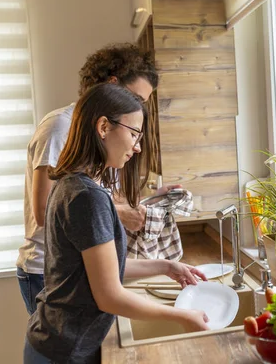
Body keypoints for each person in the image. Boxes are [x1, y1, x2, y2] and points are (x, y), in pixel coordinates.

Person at [24, 83, 209, 364]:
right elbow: (109, 296)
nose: (137, 147)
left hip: (53, 341)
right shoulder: (87, 196)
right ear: (103, 127)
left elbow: (102, 270)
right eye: (134, 133)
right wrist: (182, 316)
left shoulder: (70, 183)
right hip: (63, 351)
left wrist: (166, 266)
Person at [16, 43, 179, 315]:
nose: (140, 110)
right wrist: (121, 215)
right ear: (112, 84)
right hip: (47, 270)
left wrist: (153, 198)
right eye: (137, 100)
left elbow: (99, 195)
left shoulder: (106, 136)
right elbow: (46, 210)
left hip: (78, 262)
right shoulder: (60, 127)